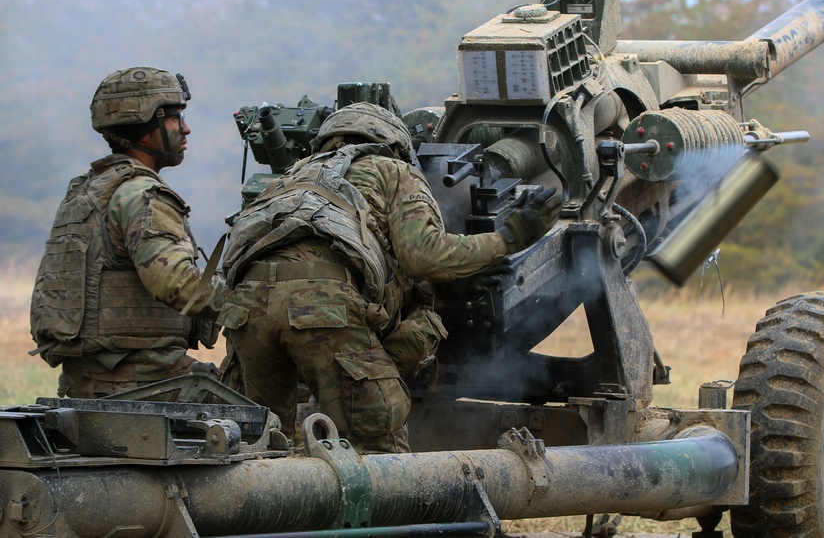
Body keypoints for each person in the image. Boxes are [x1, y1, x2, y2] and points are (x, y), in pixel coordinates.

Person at [217, 102, 563, 453]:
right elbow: (423, 255)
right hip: (319, 308)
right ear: (394, 144)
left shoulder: (289, 179)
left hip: (245, 312)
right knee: (378, 451)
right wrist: (510, 236)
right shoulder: (391, 169)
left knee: (262, 450)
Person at [30, 66, 225, 399]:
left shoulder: (89, 191)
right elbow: (181, 285)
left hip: (86, 383)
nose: (186, 129)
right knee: (287, 404)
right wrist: (251, 298)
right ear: (147, 127)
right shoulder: (141, 195)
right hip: (150, 382)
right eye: (175, 118)